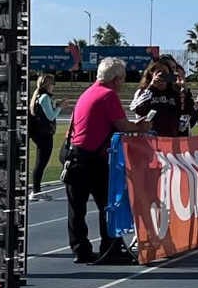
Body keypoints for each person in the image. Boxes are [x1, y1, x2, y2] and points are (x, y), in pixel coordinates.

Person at [65, 57, 151, 264]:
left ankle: (80, 249)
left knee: (76, 208)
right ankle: (111, 248)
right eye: (122, 79)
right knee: (108, 205)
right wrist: (141, 127)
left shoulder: (88, 93)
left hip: (76, 154)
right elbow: (123, 126)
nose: (123, 83)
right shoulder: (108, 95)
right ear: (116, 79)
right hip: (94, 158)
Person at [28, 74, 64, 201]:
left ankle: (36, 190)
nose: (53, 86)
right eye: (52, 84)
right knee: (41, 163)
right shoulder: (44, 97)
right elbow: (51, 116)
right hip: (44, 135)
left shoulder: (39, 96)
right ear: (47, 85)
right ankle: (36, 191)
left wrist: (55, 105)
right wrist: (59, 107)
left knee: (40, 163)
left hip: (40, 134)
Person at [129, 61, 182, 136]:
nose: (162, 76)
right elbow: (135, 108)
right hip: (150, 137)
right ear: (151, 75)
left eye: (165, 73)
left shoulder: (174, 93)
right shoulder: (143, 91)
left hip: (170, 137)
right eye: (158, 72)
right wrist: (151, 88)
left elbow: (183, 112)